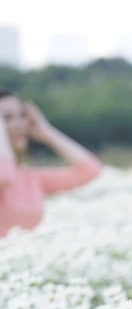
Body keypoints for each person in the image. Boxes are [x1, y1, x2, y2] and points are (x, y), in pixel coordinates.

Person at [0, 90, 102, 237]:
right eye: (6, 118)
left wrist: (46, 130)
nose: (20, 124)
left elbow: (89, 171)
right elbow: (4, 176)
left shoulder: (30, 177)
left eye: (22, 115)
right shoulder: (7, 175)